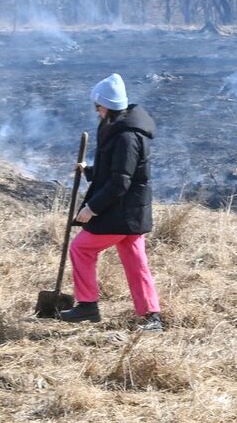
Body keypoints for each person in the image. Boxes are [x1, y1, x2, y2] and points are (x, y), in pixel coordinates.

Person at [58, 73, 164, 333]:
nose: (97, 111)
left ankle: (87, 306)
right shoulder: (119, 128)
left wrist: (91, 208)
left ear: (107, 106)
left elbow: (120, 183)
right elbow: (115, 171)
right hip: (129, 212)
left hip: (122, 212)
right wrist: (89, 171)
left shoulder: (127, 137)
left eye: (98, 106)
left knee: (81, 248)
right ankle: (151, 317)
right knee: (135, 261)